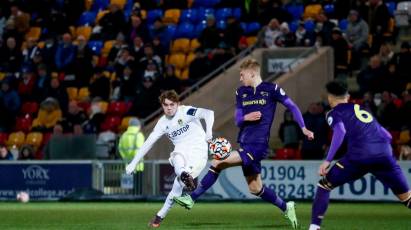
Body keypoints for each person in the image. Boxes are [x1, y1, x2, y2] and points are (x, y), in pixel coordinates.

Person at [173, 59, 314, 229]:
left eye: (242, 75)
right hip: (244, 143)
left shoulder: (272, 89)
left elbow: (292, 107)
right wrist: (246, 117)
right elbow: (238, 119)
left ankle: (191, 198)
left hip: (258, 145)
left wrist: (304, 128)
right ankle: (286, 206)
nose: (240, 78)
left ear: (252, 73)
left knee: (218, 161)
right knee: (255, 189)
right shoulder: (241, 92)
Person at [309, 81, 411, 230]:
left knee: (324, 185)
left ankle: (314, 227)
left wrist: (328, 160)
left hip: (360, 155)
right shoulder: (363, 109)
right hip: (384, 154)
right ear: (347, 96)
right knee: (407, 198)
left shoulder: (333, 113)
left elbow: (340, 132)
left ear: (330, 97)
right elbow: (387, 135)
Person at [125, 90, 215, 228]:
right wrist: (133, 162)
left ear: (178, 104)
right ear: (162, 106)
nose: (169, 108)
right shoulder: (162, 124)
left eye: (172, 104)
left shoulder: (186, 111)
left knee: (177, 186)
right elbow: (148, 143)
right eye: (165, 105)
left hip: (198, 150)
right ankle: (184, 175)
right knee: (176, 156)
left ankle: (160, 216)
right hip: (181, 148)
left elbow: (208, 113)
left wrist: (209, 132)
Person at [119, 118, 145, 194]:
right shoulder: (139, 135)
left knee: (130, 187)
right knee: (138, 187)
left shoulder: (124, 135)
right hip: (138, 165)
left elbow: (120, 148)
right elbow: (140, 150)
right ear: (138, 125)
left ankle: (130, 197)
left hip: (128, 164)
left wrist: (125, 158)